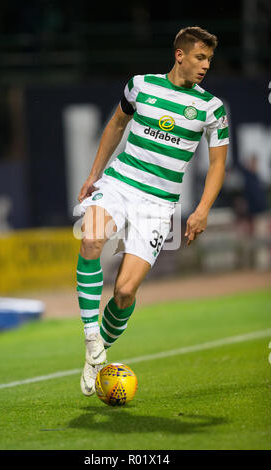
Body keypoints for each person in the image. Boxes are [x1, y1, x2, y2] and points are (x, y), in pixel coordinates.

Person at [76, 26, 229, 396]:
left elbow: (218, 165)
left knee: (125, 291)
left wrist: (203, 209)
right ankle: (91, 337)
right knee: (92, 239)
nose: (205, 65)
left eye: (209, 59)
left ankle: (99, 353)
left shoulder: (212, 108)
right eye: (199, 57)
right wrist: (94, 174)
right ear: (180, 55)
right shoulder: (140, 85)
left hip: (159, 204)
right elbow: (116, 124)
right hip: (120, 183)